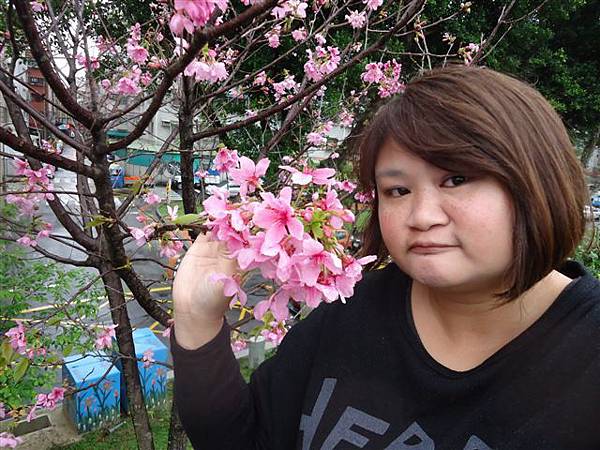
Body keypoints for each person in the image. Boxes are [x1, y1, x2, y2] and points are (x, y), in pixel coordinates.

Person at [170, 65, 600, 449]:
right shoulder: (352, 309)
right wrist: (196, 319)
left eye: (456, 179)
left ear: (535, 180)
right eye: (398, 190)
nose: (422, 216)